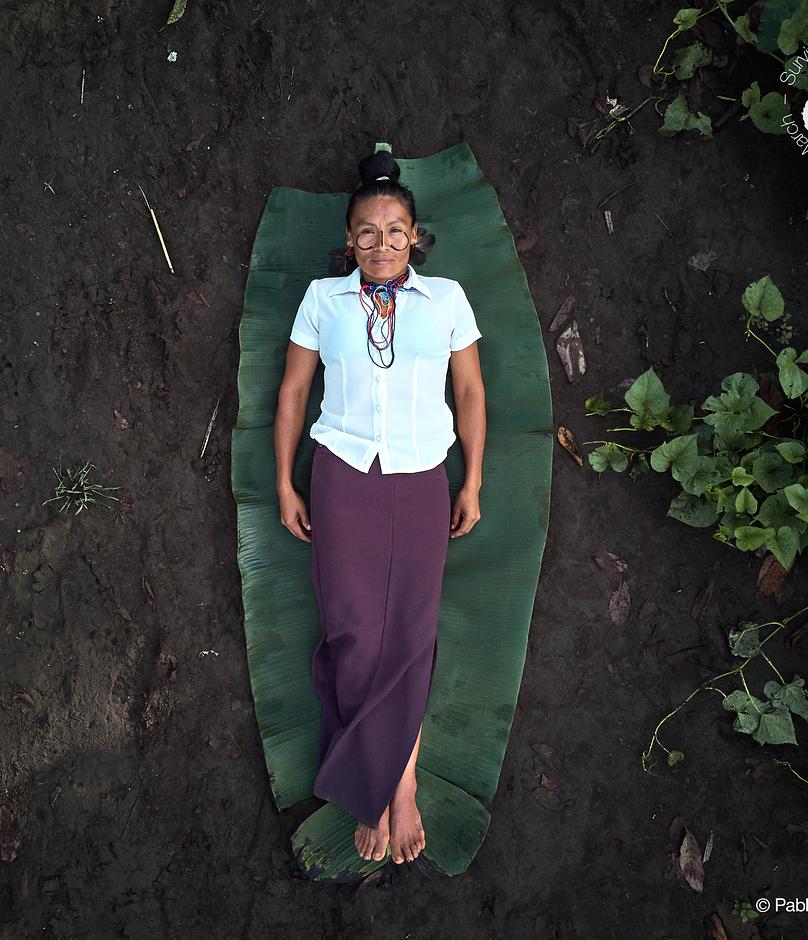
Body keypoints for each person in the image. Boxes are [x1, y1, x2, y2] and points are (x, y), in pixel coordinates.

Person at [273, 150, 486, 867]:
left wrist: (474, 481)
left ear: (416, 237)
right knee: (355, 631)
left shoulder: (448, 300)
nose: (383, 244)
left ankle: (399, 783)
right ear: (349, 240)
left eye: (396, 231)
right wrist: (283, 481)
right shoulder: (320, 300)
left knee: (412, 634)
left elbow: (472, 396)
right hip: (342, 474)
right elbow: (295, 395)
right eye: (367, 231)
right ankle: (388, 778)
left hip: (421, 476)